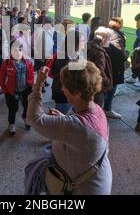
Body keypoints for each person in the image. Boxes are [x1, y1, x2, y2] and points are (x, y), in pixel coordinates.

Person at [27, 63, 112, 195]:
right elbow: (82, 133)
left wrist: (38, 84)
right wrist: (63, 119)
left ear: (77, 93)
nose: (62, 88)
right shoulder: (97, 110)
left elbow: (34, 119)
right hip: (97, 180)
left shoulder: (77, 126)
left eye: (64, 85)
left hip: (83, 189)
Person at [0, 44, 34, 136]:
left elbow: (31, 74)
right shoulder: (6, 62)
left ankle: (25, 117)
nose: (17, 52)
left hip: (25, 89)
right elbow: (2, 78)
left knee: (27, 105)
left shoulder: (28, 61)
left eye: (20, 50)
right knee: (13, 108)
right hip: (12, 91)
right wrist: (5, 91)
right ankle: (12, 123)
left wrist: (31, 85)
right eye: (15, 50)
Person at [46, 30, 84, 115]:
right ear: (75, 43)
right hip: (63, 94)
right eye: (82, 41)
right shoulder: (64, 59)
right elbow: (64, 80)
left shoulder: (74, 54)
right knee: (58, 117)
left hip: (69, 93)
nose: (84, 43)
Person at [103, 18, 129, 119]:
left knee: (104, 86)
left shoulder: (104, 33)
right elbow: (120, 54)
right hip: (113, 66)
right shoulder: (117, 36)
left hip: (105, 63)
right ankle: (107, 109)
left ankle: (102, 106)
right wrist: (126, 55)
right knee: (112, 87)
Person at [87, 27, 115, 118]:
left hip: (87, 81)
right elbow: (99, 70)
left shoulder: (89, 45)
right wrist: (107, 81)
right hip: (97, 84)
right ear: (103, 39)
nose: (109, 41)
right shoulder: (99, 52)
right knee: (96, 108)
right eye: (108, 39)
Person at [126, 13, 140, 87]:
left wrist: (139, 29)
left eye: (139, 21)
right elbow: (138, 38)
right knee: (135, 64)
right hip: (139, 49)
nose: (138, 23)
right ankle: (134, 77)